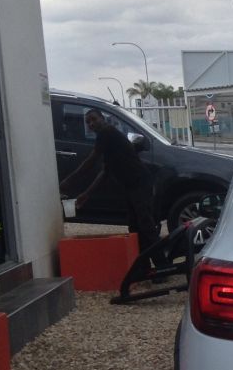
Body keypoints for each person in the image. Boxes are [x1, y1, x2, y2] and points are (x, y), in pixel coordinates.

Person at [60, 108, 166, 270]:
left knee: (146, 225)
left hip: (140, 183)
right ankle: (144, 267)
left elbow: (91, 160)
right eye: (88, 122)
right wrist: (86, 194)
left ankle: (163, 265)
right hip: (131, 187)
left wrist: (69, 181)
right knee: (134, 227)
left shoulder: (107, 133)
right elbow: (105, 172)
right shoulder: (108, 139)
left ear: (103, 119)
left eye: (94, 119)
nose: (91, 123)